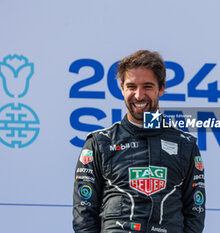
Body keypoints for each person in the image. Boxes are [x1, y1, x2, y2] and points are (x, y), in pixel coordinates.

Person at [73, 50, 206, 233]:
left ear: (161, 88)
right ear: (122, 88)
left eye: (147, 86)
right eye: (131, 86)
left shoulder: (186, 145)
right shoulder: (99, 143)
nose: (138, 95)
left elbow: (195, 213)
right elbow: (84, 214)